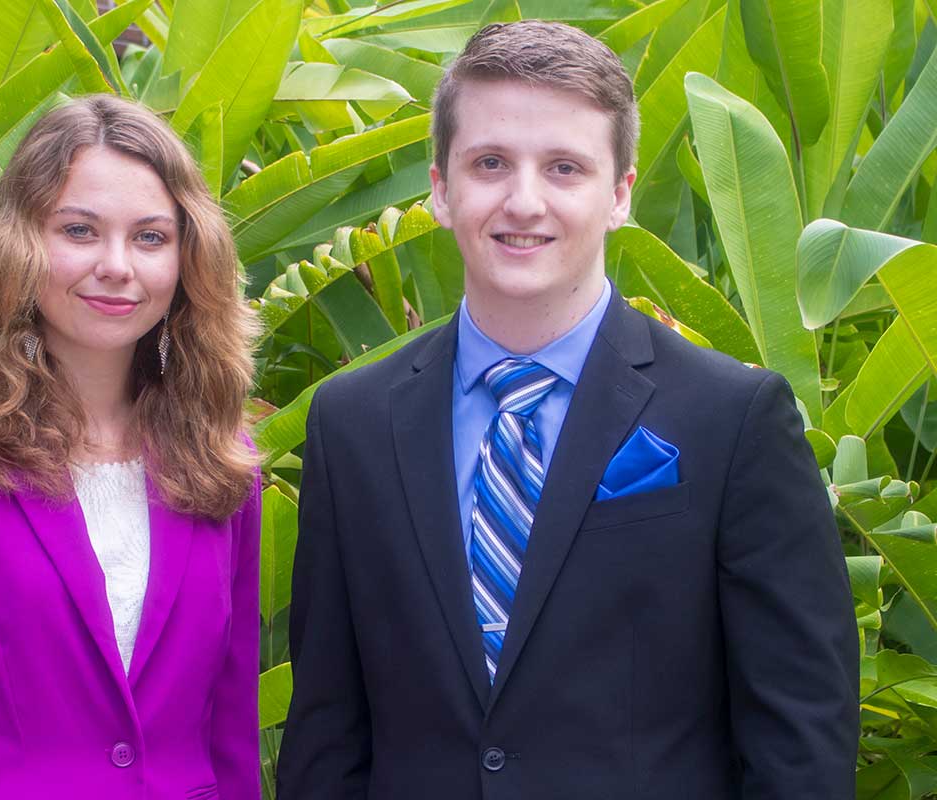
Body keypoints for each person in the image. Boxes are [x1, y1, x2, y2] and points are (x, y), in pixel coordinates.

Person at [277, 20, 858, 799]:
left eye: (564, 167)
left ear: (618, 195)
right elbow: (327, 732)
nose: (524, 201)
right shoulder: (351, 423)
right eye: (490, 163)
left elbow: (800, 740)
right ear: (441, 190)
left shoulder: (732, 420)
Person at [0, 95, 261, 798]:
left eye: (151, 237)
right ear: (18, 244)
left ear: (189, 260)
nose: (117, 265)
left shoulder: (220, 459)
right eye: (80, 230)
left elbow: (232, 736)